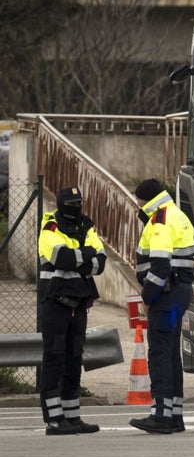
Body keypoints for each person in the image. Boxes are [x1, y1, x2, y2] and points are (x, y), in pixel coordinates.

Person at [37, 186, 106, 435]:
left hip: (79, 304)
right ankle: (55, 420)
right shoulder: (50, 228)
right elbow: (60, 258)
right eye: (72, 203)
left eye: (79, 203)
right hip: (55, 304)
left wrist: (82, 257)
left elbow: (101, 262)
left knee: (74, 361)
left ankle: (72, 417)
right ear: (62, 204)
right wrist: (85, 257)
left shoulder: (86, 226)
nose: (76, 208)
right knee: (55, 360)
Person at [129, 179, 194, 435]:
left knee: (159, 352)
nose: (139, 205)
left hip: (165, 297)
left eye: (139, 201)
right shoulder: (178, 215)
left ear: (146, 200)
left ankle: (160, 416)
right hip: (179, 294)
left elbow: (160, 266)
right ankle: (174, 414)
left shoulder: (160, 220)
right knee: (170, 353)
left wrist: (148, 295)